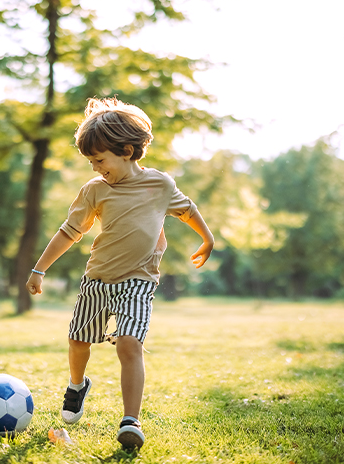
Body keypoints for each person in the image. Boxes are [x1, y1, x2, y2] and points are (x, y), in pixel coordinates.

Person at [25, 97, 214, 450]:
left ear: (126, 151)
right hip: (97, 280)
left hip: (140, 281)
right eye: (91, 162)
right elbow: (69, 231)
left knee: (129, 344)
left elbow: (187, 210)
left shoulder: (159, 185)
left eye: (100, 160)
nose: (96, 168)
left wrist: (207, 238)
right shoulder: (95, 190)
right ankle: (77, 384)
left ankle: (131, 420)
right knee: (78, 342)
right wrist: (39, 269)